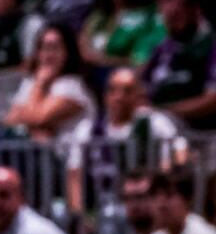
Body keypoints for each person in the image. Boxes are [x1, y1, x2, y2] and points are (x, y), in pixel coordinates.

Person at [64, 68, 185, 217]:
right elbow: (74, 174)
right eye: (112, 90)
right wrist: (79, 215)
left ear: (138, 94)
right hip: (100, 207)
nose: (119, 96)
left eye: (127, 91)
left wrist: (163, 176)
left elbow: (179, 149)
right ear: (105, 95)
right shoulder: (88, 128)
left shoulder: (152, 122)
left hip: (145, 208)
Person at [143, 0, 216, 131]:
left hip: (203, 136)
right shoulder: (162, 50)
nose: (172, 23)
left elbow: (212, 102)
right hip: (160, 131)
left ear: (196, 11)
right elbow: (142, 92)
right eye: (168, 17)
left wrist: (163, 113)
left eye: (177, 16)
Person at [4, 24, 95, 142]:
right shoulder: (30, 82)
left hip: (64, 157)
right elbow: (10, 120)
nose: (48, 54)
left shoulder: (73, 86)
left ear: (68, 52)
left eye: (55, 48)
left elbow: (38, 118)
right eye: (43, 48)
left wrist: (41, 84)